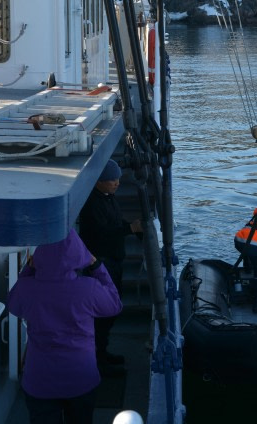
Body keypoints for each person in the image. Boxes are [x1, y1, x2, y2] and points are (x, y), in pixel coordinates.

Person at [6, 229, 121, 424]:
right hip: (80, 378)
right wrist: (97, 266)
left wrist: (30, 268)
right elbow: (115, 304)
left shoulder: (27, 289)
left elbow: (13, 305)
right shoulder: (88, 288)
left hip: (39, 380)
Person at [78, 158, 143, 375]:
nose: (116, 183)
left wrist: (130, 227)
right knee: (103, 314)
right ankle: (97, 358)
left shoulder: (108, 198)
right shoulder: (91, 205)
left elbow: (114, 225)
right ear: (99, 181)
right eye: (111, 179)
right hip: (101, 265)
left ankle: (101, 353)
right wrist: (130, 229)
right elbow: (100, 235)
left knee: (110, 312)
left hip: (113, 262)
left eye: (117, 179)